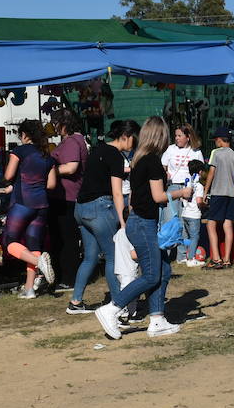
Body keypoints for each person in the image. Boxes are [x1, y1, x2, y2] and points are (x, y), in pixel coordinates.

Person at [92, 117, 181, 340]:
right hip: (143, 224)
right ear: (161, 137)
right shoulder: (152, 162)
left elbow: (133, 197)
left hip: (137, 221)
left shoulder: (139, 160)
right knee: (151, 275)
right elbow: (159, 196)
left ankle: (158, 319)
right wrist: (182, 193)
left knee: (164, 270)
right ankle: (112, 308)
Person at [66, 120, 138, 315]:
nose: (134, 143)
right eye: (134, 139)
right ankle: (118, 304)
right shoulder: (115, 156)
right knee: (113, 256)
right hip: (99, 208)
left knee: (90, 257)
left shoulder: (98, 149)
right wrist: (123, 221)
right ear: (126, 136)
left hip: (80, 209)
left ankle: (75, 301)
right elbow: (117, 192)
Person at [1, 120, 58, 298]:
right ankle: (29, 289)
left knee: (9, 242)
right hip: (42, 204)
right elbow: (51, 184)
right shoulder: (48, 156)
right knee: (34, 244)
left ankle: (38, 262)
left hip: (22, 203)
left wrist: (12, 182)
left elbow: (8, 175)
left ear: (25, 135)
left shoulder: (20, 151)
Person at [48, 112, 87, 293]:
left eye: (57, 123)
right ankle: (66, 276)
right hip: (65, 196)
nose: (55, 127)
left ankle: (68, 278)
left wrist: (49, 171)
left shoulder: (72, 141)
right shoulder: (74, 140)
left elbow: (72, 167)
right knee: (65, 238)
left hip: (67, 197)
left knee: (66, 239)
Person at [161, 125, 203, 261]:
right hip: (173, 187)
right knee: (169, 220)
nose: (176, 138)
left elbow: (201, 171)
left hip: (188, 188)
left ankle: (182, 255)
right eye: (176, 135)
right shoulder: (170, 149)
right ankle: (164, 253)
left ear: (188, 137)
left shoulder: (196, 152)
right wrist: (165, 174)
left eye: (179, 135)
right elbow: (163, 166)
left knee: (183, 222)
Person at [202, 127, 234, 270]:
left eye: (215, 140)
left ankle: (216, 259)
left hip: (218, 192)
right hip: (231, 194)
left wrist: (206, 191)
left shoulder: (216, 154)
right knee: (228, 225)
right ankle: (227, 260)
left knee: (211, 225)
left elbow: (211, 173)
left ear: (219, 140)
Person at [171, 159, 206, 266]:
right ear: (200, 172)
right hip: (194, 214)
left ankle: (182, 257)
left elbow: (182, 197)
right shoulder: (199, 185)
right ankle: (191, 259)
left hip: (185, 212)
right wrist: (206, 205)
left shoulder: (187, 182)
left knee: (185, 236)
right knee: (195, 236)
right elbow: (199, 201)